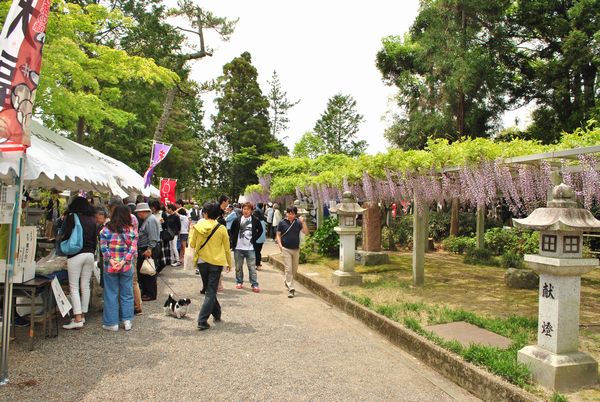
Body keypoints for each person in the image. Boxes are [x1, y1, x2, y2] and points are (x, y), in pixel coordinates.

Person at [189, 202, 232, 331]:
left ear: (206, 213)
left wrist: (192, 231)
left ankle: (217, 314)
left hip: (202, 262)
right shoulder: (221, 228)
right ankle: (202, 320)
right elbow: (226, 248)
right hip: (216, 263)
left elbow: (192, 244)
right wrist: (229, 263)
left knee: (210, 289)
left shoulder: (197, 226)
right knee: (211, 291)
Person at [61, 196, 98, 329]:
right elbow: (95, 239)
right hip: (89, 254)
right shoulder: (92, 219)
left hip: (76, 254)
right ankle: (82, 314)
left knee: (74, 286)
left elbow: (66, 234)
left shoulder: (72, 217)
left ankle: (77, 318)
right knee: (85, 285)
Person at [100, 205, 138, 331]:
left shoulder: (105, 229)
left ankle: (112, 323)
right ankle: (127, 321)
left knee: (111, 293)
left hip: (110, 266)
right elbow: (133, 248)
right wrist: (123, 262)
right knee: (127, 293)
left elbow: (103, 248)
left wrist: (111, 260)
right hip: (126, 266)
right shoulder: (131, 230)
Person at [230, 202, 263, 292]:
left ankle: (254, 284)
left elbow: (260, 230)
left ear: (251, 211)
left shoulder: (255, 220)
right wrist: (233, 241)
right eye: (244, 209)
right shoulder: (237, 220)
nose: (246, 211)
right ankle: (239, 281)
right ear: (242, 210)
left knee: (252, 267)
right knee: (238, 267)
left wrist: (254, 238)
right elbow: (232, 231)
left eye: (248, 209)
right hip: (238, 248)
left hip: (250, 248)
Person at [276, 206, 308, 298]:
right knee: (288, 269)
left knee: (294, 269)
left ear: (295, 214)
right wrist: (280, 245)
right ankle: (291, 289)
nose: (290, 215)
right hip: (286, 249)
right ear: (286, 213)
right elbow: (278, 235)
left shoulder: (298, 222)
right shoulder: (282, 223)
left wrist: (303, 222)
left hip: (296, 249)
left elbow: (305, 232)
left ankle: (287, 281)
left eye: (292, 214)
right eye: (289, 213)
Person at [135, 203, 160, 301]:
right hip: (145, 248)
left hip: (149, 248)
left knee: (149, 271)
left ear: (143, 211)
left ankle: (151, 294)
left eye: (138, 212)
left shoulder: (151, 220)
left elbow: (153, 236)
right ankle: (146, 292)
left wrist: (149, 249)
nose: (138, 215)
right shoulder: (148, 220)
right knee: (144, 271)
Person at [149, 199, 171, 272]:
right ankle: (155, 268)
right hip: (153, 236)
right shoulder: (150, 214)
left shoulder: (162, 213)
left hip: (161, 236)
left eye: (152, 207)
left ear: (156, 207)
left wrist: (163, 222)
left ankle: (158, 269)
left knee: (161, 254)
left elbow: (166, 226)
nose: (152, 209)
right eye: (151, 207)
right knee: (155, 254)